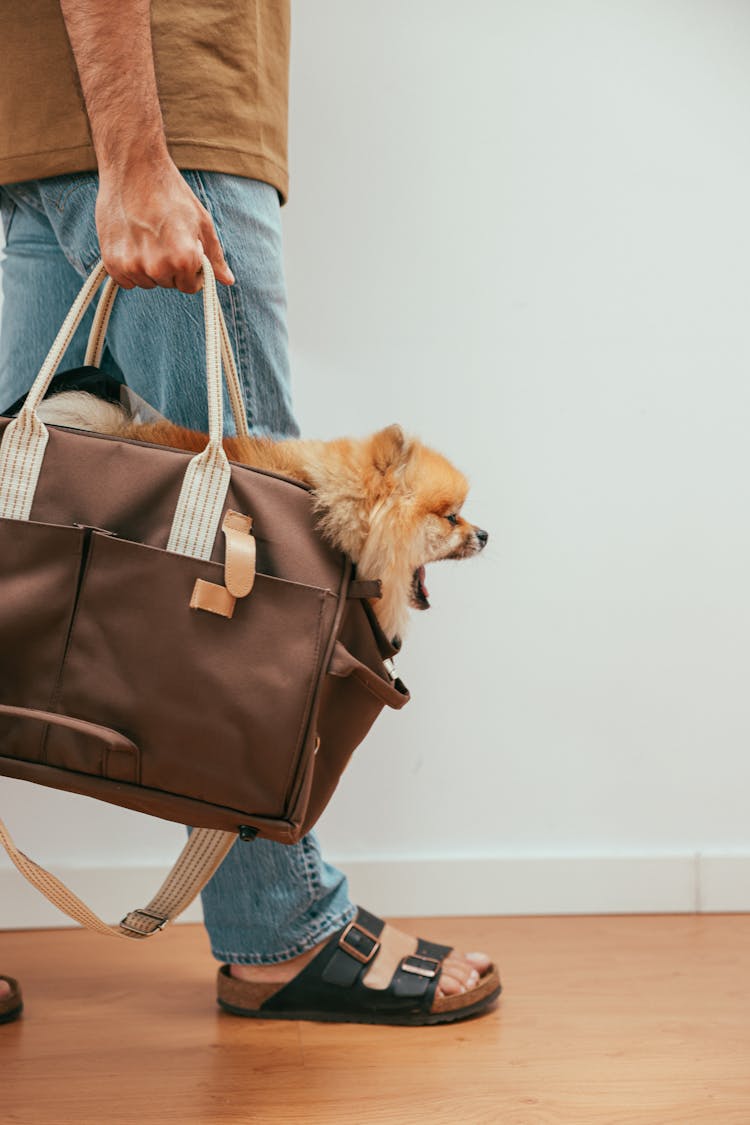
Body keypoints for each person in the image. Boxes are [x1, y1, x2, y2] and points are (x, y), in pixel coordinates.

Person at [0, 0, 498, 1024]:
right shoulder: (150, 148)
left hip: (34, 131)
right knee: (261, 554)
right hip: (159, 127)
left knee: (14, 530)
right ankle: (283, 928)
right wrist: (137, 158)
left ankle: (278, 915)